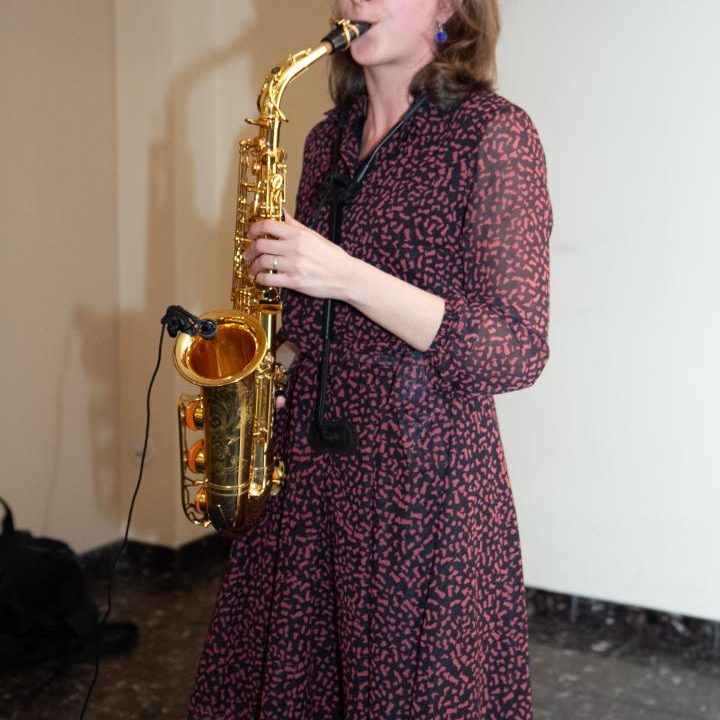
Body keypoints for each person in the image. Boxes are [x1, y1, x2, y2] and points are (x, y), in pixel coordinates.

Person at [188, 0, 551, 717]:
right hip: (308, 480)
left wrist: (345, 275)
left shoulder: (494, 133)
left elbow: (515, 349)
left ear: (450, 8)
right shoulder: (328, 138)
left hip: (421, 486)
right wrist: (273, 366)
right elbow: (309, 315)